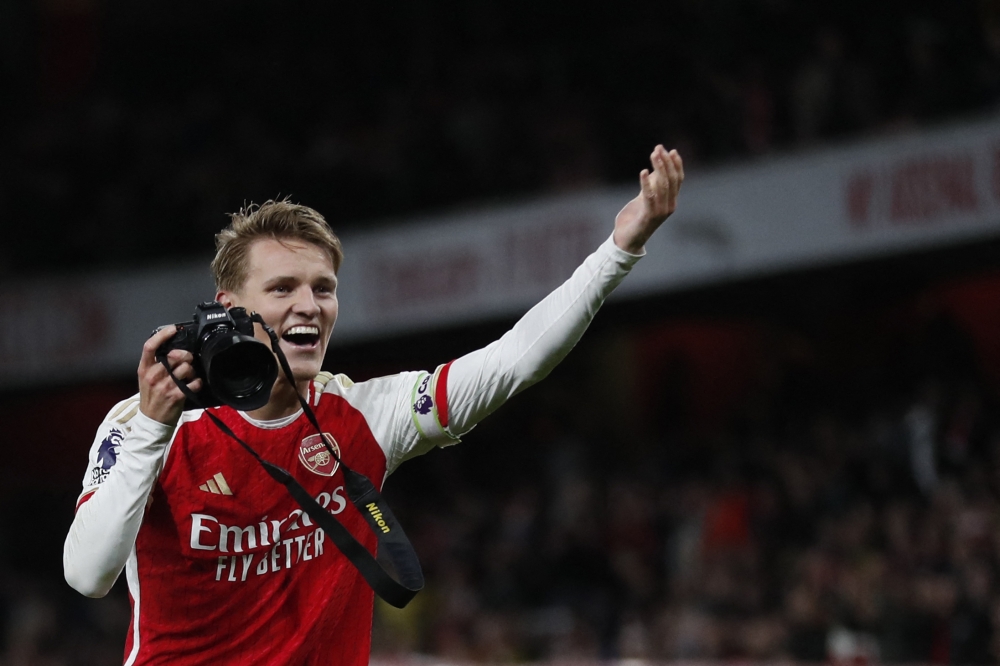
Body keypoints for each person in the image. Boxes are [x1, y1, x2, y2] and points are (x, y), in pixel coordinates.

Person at [63, 145, 684, 665]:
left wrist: (618, 251)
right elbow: (89, 575)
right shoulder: (147, 424)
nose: (309, 305)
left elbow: (513, 361)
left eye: (323, 289)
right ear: (231, 307)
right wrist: (151, 425)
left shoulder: (365, 413)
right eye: (282, 288)